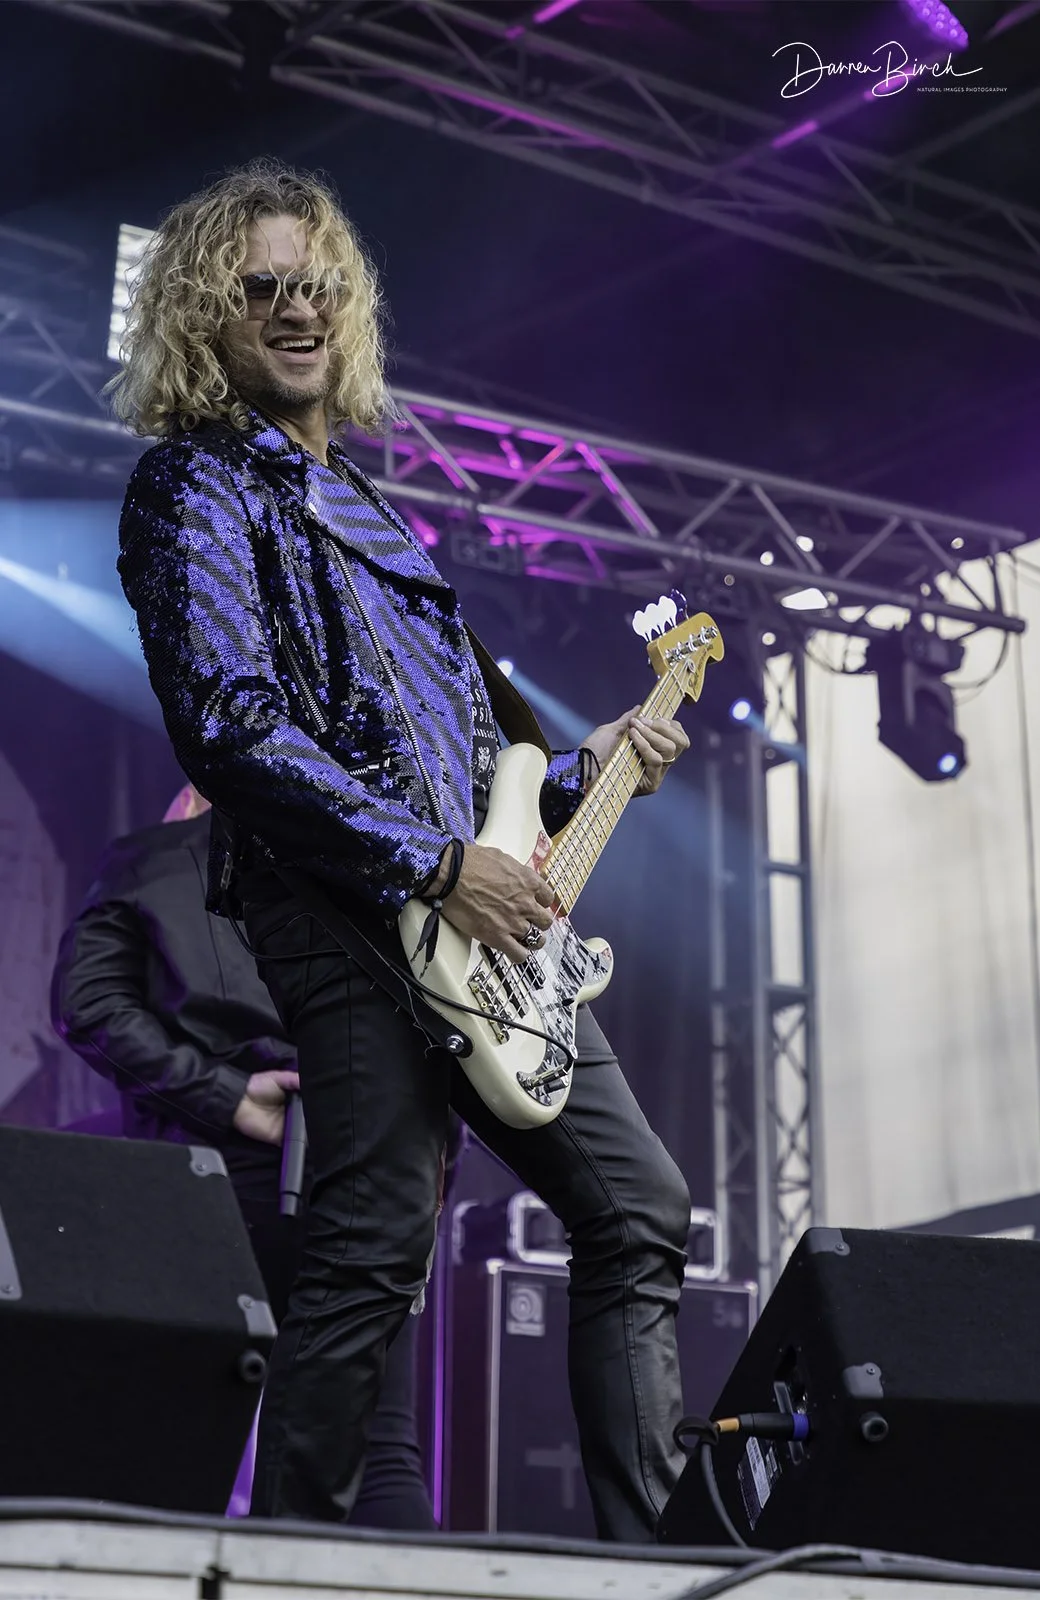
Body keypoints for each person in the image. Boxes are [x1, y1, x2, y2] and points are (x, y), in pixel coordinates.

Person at [113, 159, 692, 1541]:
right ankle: (293, 1566)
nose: (297, 308)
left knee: (640, 1207)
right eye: (261, 287)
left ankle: (655, 1566)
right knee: (372, 1247)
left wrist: (586, 770)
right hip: (344, 912)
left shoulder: (379, 512)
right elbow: (230, 723)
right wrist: (430, 867)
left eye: (317, 284)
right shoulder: (194, 487)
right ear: (206, 314)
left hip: (478, 923)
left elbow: (481, 769)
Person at [51, 782, 437, 1530]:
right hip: (370, 1158)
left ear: (197, 797)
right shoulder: (374, 860)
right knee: (378, 1447)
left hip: (215, 1174)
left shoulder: (156, 855)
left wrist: (225, 1094)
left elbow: (88, 1004)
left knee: (173, 1432)